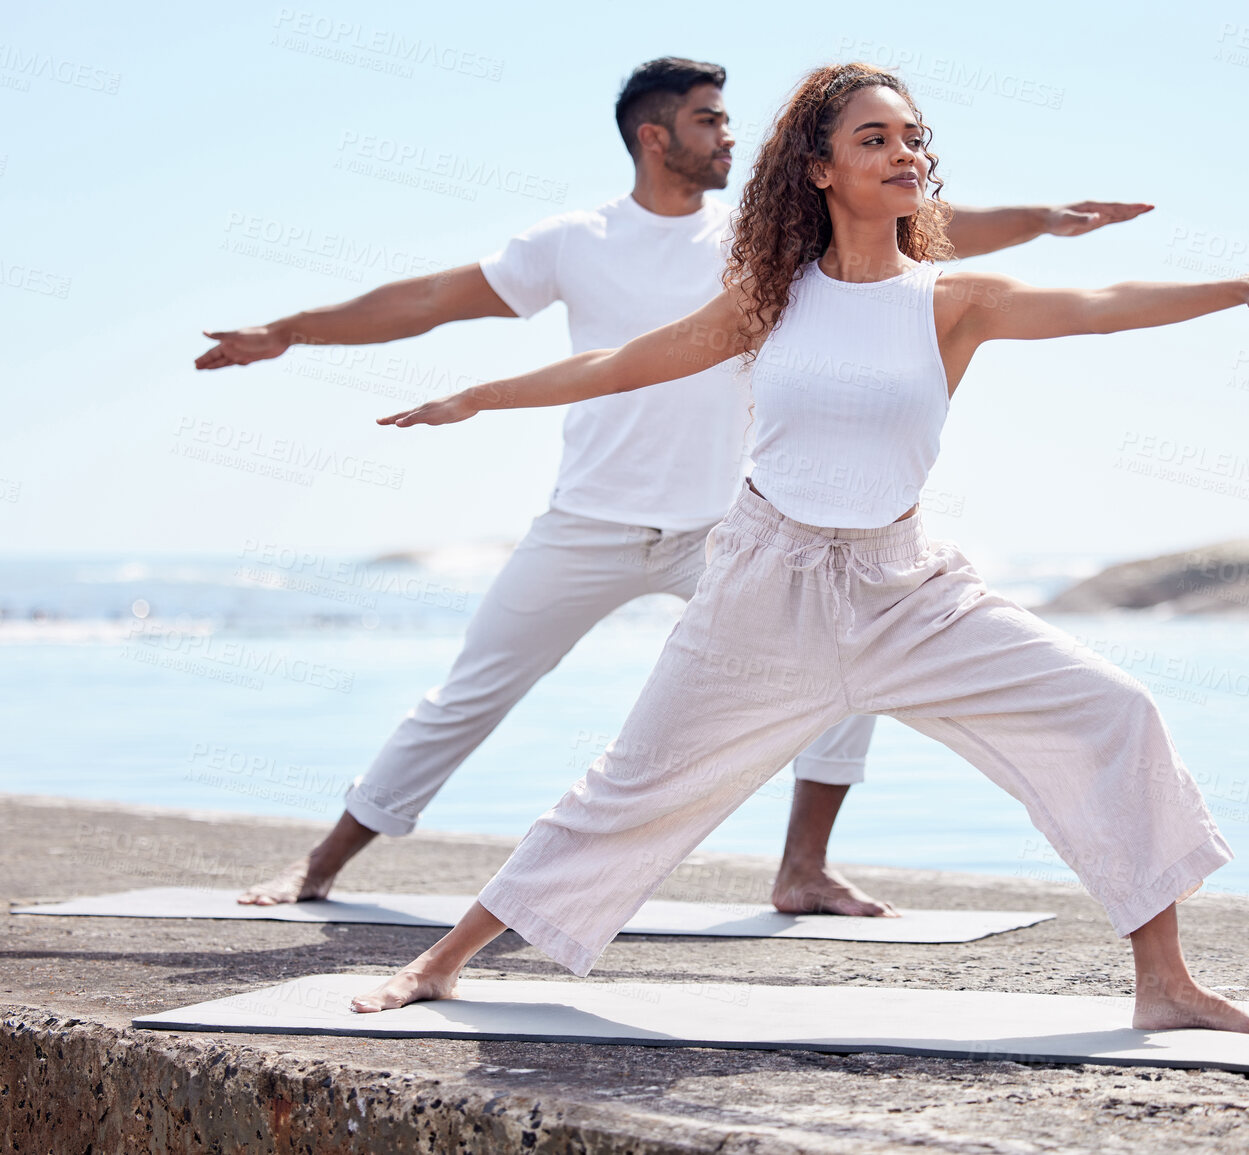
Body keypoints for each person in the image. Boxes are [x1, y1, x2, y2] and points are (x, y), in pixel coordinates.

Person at [345, 61, 1249, 1033]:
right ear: (821, 169)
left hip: (905, 589)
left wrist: (1238, 289)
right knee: (632, 783)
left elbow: (1101, 310)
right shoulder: (771, 298)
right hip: (764, 587)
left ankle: (1165, 983)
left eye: (914, 138)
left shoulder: (954, 301)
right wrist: (481, 395)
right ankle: (438, 963)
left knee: (1114, 712)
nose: (904, 152)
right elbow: (625, 364)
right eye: (874, 138)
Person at [195, 56, 1154, 917]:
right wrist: (291, 329)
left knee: (851, 663)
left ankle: (802, 869)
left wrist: (1042, 221)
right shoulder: (572, 240)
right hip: (589, 521)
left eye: (730, 119)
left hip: (728, 532)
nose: (729, 134)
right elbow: (430, 299)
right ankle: (322, 863)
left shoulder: (761, 240)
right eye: (708, 120)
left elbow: (922, 223)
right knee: (470, 693)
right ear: (654, 135)